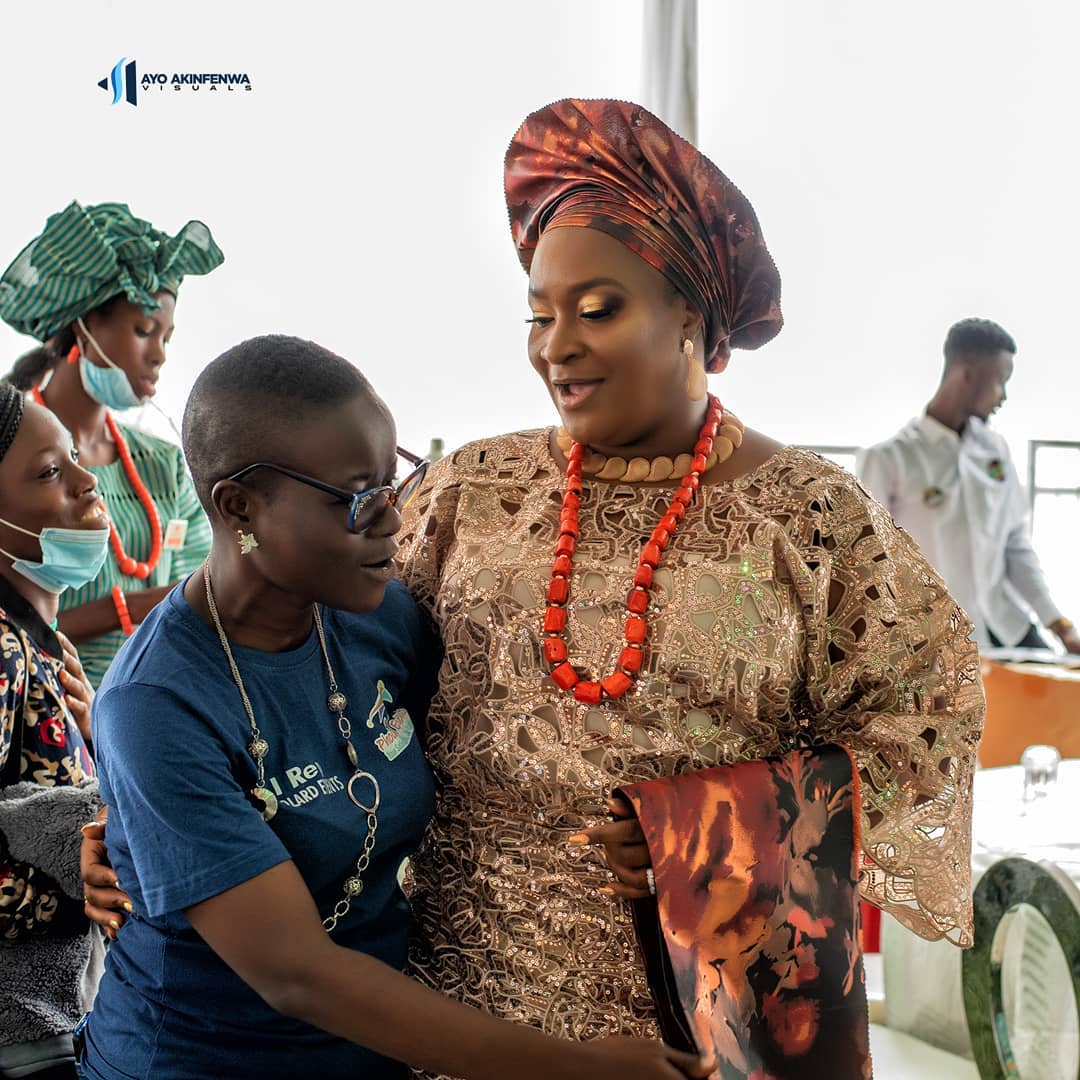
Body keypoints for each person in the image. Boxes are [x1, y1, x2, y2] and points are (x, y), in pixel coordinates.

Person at [390, 99, 984, 1064]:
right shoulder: (466, 492)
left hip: (705, 1026)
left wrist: (716, 829)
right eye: (539, 315)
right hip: (461, 1010)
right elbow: (337, 672)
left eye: (597, 310)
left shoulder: (810, 516)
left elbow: (928, 717)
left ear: (692, 319)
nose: (556, 345)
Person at [77, 336, 713, 1080]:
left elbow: (510, 750)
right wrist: (579, 1070)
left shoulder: (377, 616)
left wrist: (657, 831)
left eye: (392, 485)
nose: (392, 523)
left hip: (371, 1057)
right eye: (355, 500)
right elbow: (295, 974)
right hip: (197, 1063)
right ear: (239, 506)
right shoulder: (156, 704)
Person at [0, 200, 224, 686]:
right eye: (144, 331)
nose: (159, 355)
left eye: (166, 337)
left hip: (152, 704)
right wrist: (133, 607)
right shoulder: (8, 452)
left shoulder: (163, 463)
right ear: (84, 325)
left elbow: (206, 592)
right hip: (39, 702)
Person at [857, 317, 1080, 654]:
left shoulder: (996, 450)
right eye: (1001, 381)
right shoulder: (889, 459)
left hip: (1006, 625)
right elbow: (872, 564)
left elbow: (1015, 546)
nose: (1003, 396)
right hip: (939, 638)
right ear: (967, 373)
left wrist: (1060, 626)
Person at [0, 381, 104, 1079]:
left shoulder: (41, 645)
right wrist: (77, 902)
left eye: (73, 458)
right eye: (48, 473)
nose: (86, 481)